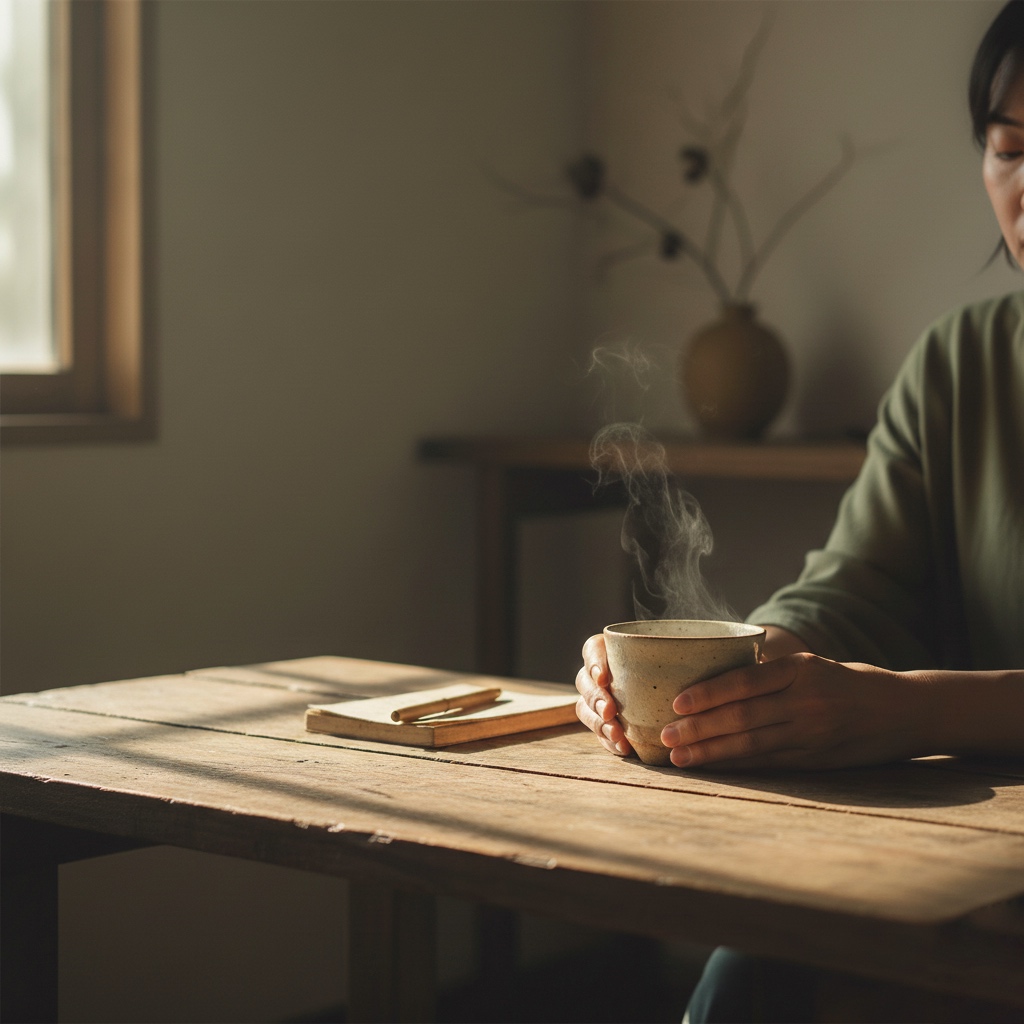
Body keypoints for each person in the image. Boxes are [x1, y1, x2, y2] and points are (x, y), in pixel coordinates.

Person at [575, 2, 1024, 1019]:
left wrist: (908, 708)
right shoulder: (960, 363)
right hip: (965, 847)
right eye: (1006, 150)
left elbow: (889, 693)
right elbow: (853, 583)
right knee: (755, 972)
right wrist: (728, 669)